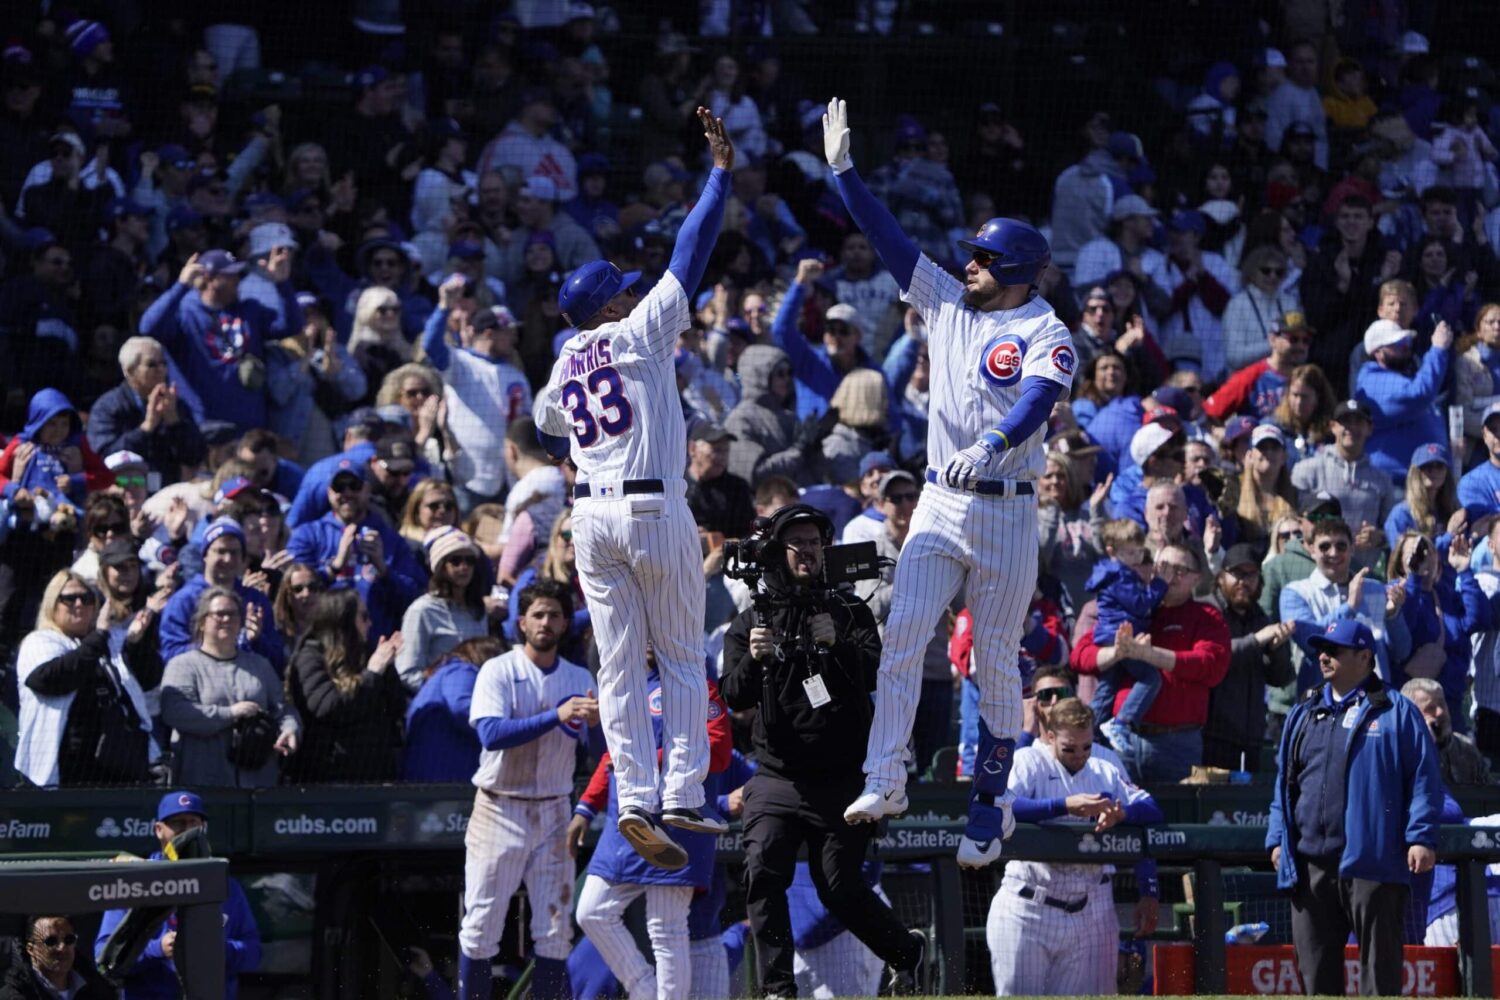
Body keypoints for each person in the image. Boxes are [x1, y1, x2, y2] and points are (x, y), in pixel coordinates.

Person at [822, 98, 1076, 872]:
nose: (968, 264)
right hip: (938, 497)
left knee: (995, 660)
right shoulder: (945, 301)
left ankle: (991, 802)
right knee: (901, 635)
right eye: (969, 255)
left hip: (1006, 506)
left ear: (1019, 274)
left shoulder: (1045, 329)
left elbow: (1039, 399)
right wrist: (844, 175)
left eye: (983, 259)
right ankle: (885, 777)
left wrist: (997, 441)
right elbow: (887, 238)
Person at [533, 108, 734, 858]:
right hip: (651, 506)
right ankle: (681, 793)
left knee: (617, 665)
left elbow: (546, 428)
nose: (630, 290)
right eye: (621, 288)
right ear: (610, 306)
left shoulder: (564, 359)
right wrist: (718, 177)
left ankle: (633, 797)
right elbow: (691, 252)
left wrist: (587, 445)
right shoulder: (636, 332)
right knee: (681, 654)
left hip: (590, 517)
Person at [718, 505, 925, 996]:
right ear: (776, 552)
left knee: (839, 888)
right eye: (797, 543)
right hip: (777, 775)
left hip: (844, 776)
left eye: (814, 541)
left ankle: (905, 952)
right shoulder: (750, 620)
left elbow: (879, 672)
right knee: (763, 866)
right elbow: (732, 694)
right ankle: (777, 989)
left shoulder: (850, 609)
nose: (807, 551)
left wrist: (839, 648)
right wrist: (754, 658)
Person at [1266, 619, 1443, 997]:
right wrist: (1278, 839)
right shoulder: (1303, 712)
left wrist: (1420, 836)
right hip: (1310, 862)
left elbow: (1425, 779)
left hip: (1373, 861)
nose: (1324, 656)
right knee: (1316, 982)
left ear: (1365, 656)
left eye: (1335, 650)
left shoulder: (1397, 711)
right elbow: (1284, 785)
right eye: (1321, 650)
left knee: (1379, 981)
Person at [457, 580, 598, 1000]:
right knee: (481, 925)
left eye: (555, 614)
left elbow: (594, 752)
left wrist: (595, 726)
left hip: (555, 809)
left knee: (555, 930)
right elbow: (491, 733)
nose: (546, 621)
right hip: (499, 808)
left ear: (565, 623)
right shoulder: (498, 669)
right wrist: (557, 714)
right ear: (522, 621)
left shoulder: (579, 676)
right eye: (538, 613)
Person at [571, 654, 733, 1000]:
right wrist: (586, 807)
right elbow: (613, 757)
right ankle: (645, 991)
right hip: (626, 822)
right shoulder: (626, 684)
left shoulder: (697, 684)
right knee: (591, 912)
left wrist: (650, 759)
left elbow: (718, 750)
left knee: (666, 929)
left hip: (678, 820)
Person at [987, 697, 1163, 996]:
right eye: (1069, 748)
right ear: (1051, 737)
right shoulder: (1031, 760)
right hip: (1029, 903)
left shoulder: (1103, 768)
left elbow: (1151, 810)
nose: (1079, 755)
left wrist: (1124, 815)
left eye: (1086, 747)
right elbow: (999, 805)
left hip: (1090, 906)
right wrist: (1063, 805)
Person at [1071, 543, 1231, 783]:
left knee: (1177, 818)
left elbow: (1211, 666)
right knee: (1114, 816)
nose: (1169, 576)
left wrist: (1150, 654)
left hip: (1176, 743)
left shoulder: (1207, 616)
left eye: (1180, 570)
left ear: (1196, 578)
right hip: (1120, 742)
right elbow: (1079, 656)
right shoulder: (1133, 608)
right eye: (1162, 567)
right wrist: (1118, 652)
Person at [95, 791, 262, 999]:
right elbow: (103, 957)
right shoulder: (134, 879)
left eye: (194, 823)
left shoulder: (225, 884)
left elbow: (254, 952)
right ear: (159, 830)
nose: (188, 831)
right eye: (179, 823)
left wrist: (216, 948)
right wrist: (157, 949)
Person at [14, 570, 157, 787]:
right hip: (62, 766)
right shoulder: (39, 641)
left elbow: (150, 680)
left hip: (112, 763)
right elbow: (48, 680)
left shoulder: (108, 642)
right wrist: (98, 636)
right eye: (69, 598)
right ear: (53, 604)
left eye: (87, 598)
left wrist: (135, 645)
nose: (79, 604)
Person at [160, 586, 299, 787]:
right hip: (204, 782)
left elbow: (283, 709)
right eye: (219, 614)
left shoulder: (260, 665)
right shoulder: (182, 665)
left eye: (232, 614)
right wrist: (230, 713)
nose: (226, 619)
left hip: (258, 782)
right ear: (202, 622)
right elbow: (175, 712)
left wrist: (290, 729)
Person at [422, 278, 533, 511]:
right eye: (509, 332)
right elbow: (431, 346)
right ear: (490, 333)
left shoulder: (516, 375)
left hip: (509, 476)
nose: (514, 339)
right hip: (470, 477)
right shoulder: (460, 363)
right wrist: (444, 307)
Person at [286, 464, 426, 646]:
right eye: (339, 487)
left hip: (377, 643)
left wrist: (383, 570)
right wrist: (335, 566)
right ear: (329, 492)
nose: (347, 493)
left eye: (354, 486)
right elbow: (289, 595)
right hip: (323, 644)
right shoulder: (308, 535)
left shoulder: (391, 539)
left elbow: (414, 597)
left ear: (367, 489)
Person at [284, 589, 405, 783]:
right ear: (343, 621)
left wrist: (387, 669)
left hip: (375, 777)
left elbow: (395, 708)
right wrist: (373, 673)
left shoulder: (367, 654)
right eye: (363, 617)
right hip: (328, 779)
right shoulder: (310, 656)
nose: (370, 624)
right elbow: (327, 707)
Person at [1281, 518, 1412, 692]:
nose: (1334, 553)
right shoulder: (1295, 592)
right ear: (1311, 549)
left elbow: (1401, 652)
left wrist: (1392, 616)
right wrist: (1349, 606)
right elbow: (1309, 641)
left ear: (1352, 549)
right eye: (1324, 547)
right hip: (1323, 703)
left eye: (1341, 546)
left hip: (1373, 701)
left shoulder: (1374, 589)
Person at [1206, 544, 1295, 771]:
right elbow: (1214, 657)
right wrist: (1256, 641)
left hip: (1250, 738)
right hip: (1211, 736)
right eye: (1236, 573)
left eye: (1251, 574)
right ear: (1220, 577)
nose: (1244, 581)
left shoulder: (1260, 617)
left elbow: (1280, 678)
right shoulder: (1208, 610)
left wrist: (1277, 649)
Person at [1086, 519, 1169, 751]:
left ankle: (1087, 732)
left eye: (1139, 551)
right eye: (1129, 552)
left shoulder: (1113, 571)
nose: (1136, 557)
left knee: (1107, 688)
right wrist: (1160, 583)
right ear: (1112, 551)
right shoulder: (1119, 575)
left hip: (1110, 635)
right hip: (1119, 635)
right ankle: (1121, 722)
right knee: (1151, 678)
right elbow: (1140, 604)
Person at [158, 518, 283, 671]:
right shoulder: (183, 600)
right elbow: (170, 656)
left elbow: (278, 662)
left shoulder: (255, 600)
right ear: (205, 555)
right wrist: (214, 646)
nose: (228, 559)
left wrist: (256, 641)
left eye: (234, 552)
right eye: (221, 551)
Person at [86, 336, 207, 486]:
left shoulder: (175, 405)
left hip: (166, 492)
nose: (161, 370)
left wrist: (174, 423)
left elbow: (195, 456)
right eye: (152, 365)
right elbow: (104, 457)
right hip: (125, 491)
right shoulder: (107, 407)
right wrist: (146, 428)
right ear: (130, 371)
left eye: (164, 364)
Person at [1292, 399, 1397, 554]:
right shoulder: (1307, 469)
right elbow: (1292, 522)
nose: (1352, 427)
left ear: (1369, 428)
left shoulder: (1382, 479)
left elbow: (1392, 530)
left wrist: (1379, 537)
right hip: (1315, 567)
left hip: (1363, 571)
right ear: (1332, 427)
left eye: (1358, 422)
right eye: (1345, 422)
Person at [1355, 317, 1453, 482]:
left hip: (1424, 483)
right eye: (1399, 344)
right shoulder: (1372, 380)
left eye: (1407, 342)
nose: (1407, 348)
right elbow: (1419, 395)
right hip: (1394, 485)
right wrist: (1438, 349)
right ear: (1378, 352)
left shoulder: (1402, 379)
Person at [396, 527, 492, 691]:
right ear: (440, 566)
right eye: (455, 560)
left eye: (470, 561)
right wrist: (444, 692)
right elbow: (407, 673)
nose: (464, 567)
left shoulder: (477, 609)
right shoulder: (421, 610)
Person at [402, 636, 506, 782]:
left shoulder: (447, 672)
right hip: (443, 775)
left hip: (435, 773)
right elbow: (461, 706)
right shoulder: (460, 669)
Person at [1203, 310, 1312, 421]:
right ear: (1273, 339)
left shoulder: (1311, 379)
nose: (1301, 346)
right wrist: (1221, 433)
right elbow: (1208, 413)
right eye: (1293, 339)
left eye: (1305, 340)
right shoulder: (1250, 377)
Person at [1401, 678, 1491, 786]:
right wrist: (1427, 744)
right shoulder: (1401, 752)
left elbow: (1488, 792)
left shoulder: (1466, 748)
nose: (1440, 712)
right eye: (1430, 708)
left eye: (1442, 704)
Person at [0, 916, 115, 999]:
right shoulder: (13, 994)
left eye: (69, 940)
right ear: (31, 949)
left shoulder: (100, 991)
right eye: (51, 941)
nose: (62, 948)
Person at [1459, 401, 1500, 515]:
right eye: (1493, 429)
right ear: (1484, 435)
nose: (1499, 434)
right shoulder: (1472, 481)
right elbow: (1481, 524)